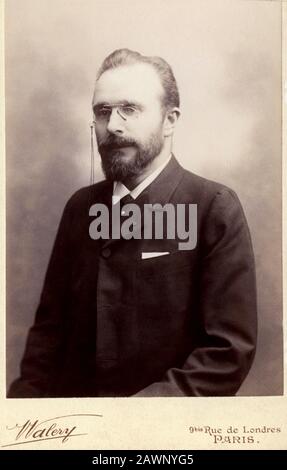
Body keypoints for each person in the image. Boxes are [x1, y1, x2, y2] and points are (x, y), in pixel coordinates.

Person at [8, 49, 257, 398]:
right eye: (103, 111)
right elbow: (47, 339)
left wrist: (127, 422)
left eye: (130, 109)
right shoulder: (80, 208)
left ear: (170, 120)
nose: (113, 126)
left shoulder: (213, 208)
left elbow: (226, 354)